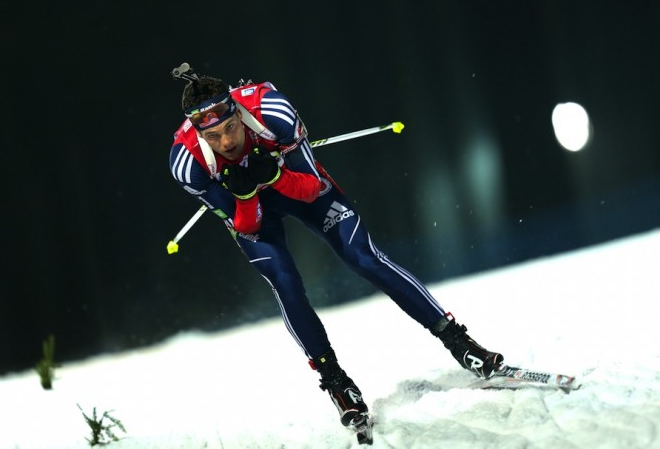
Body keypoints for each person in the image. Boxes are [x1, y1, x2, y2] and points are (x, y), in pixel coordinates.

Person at [168, 66, 504, 429]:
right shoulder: (187, 163)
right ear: (199, 133)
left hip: (296, 187)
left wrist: (275, 175)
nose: (227, 143)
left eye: (230, 129)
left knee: (364, 257)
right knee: (286, 284)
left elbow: (312, 189)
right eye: (214, 136)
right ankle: (337, 383)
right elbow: (244, 225)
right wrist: (247, 193)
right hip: (255, 213)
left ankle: (459, 341)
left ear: (237, 111)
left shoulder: (272, 113)